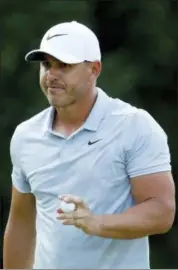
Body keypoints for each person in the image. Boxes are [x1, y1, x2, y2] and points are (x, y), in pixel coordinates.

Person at [3, 21, 175, 269]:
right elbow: (21, 222)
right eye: (46, 65)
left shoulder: (135, 125)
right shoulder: (25, 135)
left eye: (64, 66)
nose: (51, 75)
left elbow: (161, 211)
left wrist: (98, 223)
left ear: (94, 69)